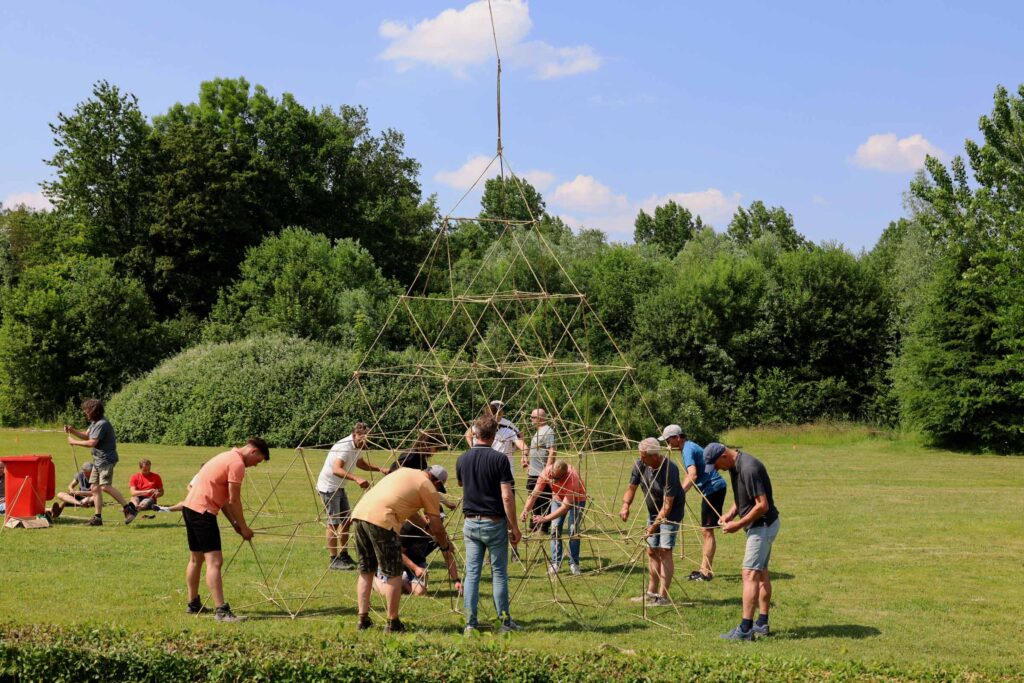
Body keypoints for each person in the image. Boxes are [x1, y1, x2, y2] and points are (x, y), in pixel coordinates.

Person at [351, 464, 455, 633]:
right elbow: (437, 525)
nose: (437, 490)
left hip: (360, 514)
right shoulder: (427, 486)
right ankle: (393, 622)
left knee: (366, 569)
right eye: (439, 486)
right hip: (383, 520)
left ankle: (362, 619)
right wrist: (444, 546)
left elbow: (412, 513)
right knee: (394, 571)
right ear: (435, 481)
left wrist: (425, 529)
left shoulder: (406, 472)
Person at [182, 437, 270, 622]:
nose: (255, 465)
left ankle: (193, 604)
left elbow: (224, 502)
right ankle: (221, 611)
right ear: (253, 451)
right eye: (258, 461)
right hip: (202, 512)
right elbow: (234, 500)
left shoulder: (227, 456)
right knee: (215, 561)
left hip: (190, 507)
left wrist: (236, 525)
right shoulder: (237, 464)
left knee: (196, 559)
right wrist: (244, 528)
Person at [704, 442, 781, 641]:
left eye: (716, 465)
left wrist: (738, 525)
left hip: (762, 525)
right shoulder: (734, 466)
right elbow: (742, 497)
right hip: (760, 524)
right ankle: (762, 623)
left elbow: (762, 505)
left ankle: (746, 629)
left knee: (749, 573)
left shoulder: (748, 468)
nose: (718, 470)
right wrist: (730, 514)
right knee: (761, 573)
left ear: (723, 455)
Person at [457, 414, 523, 635]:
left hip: (470, 523)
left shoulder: (462, 459)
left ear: (475, 434)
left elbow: (460, 483)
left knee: (472, 574)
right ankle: (504, 622)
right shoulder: (500, 460)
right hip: (494, 523)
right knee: (499, 574)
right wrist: (514, 526)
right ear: (495, 435)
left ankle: (470, 624)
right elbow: (507, 496)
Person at [619, 437, 684, 607]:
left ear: (654, 456)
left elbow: (668, 505)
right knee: (651, 551)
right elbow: (631, 488)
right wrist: (625, 505)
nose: (641, 459)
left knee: (664, 551)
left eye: (644, 456)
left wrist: (653, 527)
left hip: (670, 514)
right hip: (653, 511)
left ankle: (662, 597)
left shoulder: (670, 470)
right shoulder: (641, 465)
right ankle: (651, 593)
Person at [315, 423, 388, 570]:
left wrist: (380, 469)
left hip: (339, 486)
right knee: (333, 523)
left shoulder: (358, 445)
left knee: (347, 521)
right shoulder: (345, 447)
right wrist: (356, 479)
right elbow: (336, 469)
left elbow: (360, 463)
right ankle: (333, 559)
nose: (366, 441)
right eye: (363, 438)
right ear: (355, 434)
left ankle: (344, 555)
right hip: (329, 487)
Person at [659, 425, 727, 581]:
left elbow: (693, 475)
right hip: (712, 490)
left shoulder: (688, 450)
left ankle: (706, 572)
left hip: (713, 489)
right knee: (706, 531)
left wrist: (679, 493)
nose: (667, 444)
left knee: (707, 531)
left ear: (678, 438)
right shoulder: (688, 447)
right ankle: (703, 570)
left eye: (669, 440)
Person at [65, 398, 137, 526]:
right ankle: (97, 518)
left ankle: (129, 509)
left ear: (93, 411)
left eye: (87, 410)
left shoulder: (102, 424)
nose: (85, 413)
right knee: (94, 487)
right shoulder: (94, 423)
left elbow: (92, 442)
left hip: (106, 459)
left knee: (105, 486)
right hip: (98, 460)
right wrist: (73, 430)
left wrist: (74, 442)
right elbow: (87, 436)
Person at [373, 510, 462, 597]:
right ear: (427, 518)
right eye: (439, 520)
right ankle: (375, 579)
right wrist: (415, 568)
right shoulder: (410, 528)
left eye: (442, 519)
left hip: (418, 563)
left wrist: (456, 580)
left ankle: (402, 581)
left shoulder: (440, 533)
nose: (441, 522)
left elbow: (448, 557)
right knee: (389, 593)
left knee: (420, 592)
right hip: (394, 562)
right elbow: (397, 553)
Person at [521, 459, 586, 575]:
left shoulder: (572, 478)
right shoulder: (546, 472)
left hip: (577, 499)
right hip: (557, 498)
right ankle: (556, 563)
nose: (553, 480)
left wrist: (545, 518)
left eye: (557, 479)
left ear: (564, 475)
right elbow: (535, 493)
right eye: (552, 477)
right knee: (555, 529)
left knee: (573, 530)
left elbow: (565, 507)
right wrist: (526, 510)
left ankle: (574, 564)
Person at [523, 408, 556, 534]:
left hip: (542, 473)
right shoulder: (538, 432)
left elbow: (552, 451)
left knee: (543, 499)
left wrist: (547, 470)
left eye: (533, 417)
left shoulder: (548, 431)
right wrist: (529, 464)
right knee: (533, 498)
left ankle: (543, 527)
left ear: (541, 418)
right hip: (534, 472)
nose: (531, 420)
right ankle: (534, 525)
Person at [465, 401, 526, 469]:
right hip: (485, 463)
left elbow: (519, 435)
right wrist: (472, 446)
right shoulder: (483, 423)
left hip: (503, 463)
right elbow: (468, 433)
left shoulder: (507, 424)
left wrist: (522, 453)